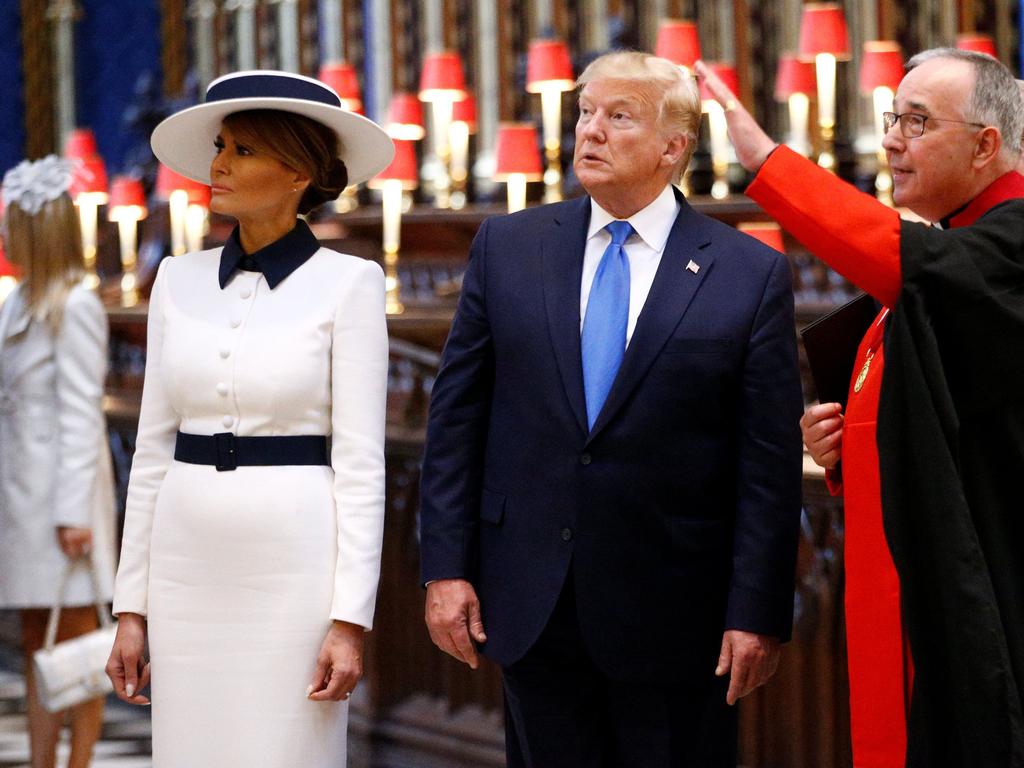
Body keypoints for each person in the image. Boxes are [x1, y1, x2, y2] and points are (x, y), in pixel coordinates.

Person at [420, 51, 803, 767]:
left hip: (677, 615)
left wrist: (757, 612)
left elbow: (768, 465)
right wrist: (445, 568)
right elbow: (455, 422)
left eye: (617, 116)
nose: (589, 131)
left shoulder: (747, 273)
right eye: (585, 113)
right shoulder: (510, 247)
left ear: (673, 147)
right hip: (529, 598)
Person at [699, 47, 1024, 768]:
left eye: (917, 121)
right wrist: (849, 441)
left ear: (985, 145)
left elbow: (904, 263)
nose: (891, 140)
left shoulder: (1007, 241)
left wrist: (764, 158)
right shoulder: (954, 250)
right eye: (891, 117)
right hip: (905, 582)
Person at [104, 70, 394, 767]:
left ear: (296, 172)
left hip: (293, 567)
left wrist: (350, 620)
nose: (219, 166)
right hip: (183, 562)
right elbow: (150, 455)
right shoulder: (176, 278)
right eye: (220, 147)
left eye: (242, 151)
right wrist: (130, 609)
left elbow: (360, 466)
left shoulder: (350, 284)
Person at [0, 155, 117, 768]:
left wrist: (76, 514)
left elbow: (80, 415)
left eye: (10, 223)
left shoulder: (76, 306)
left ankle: (79, 762)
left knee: (78, 642)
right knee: (33, 640)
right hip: (20, 497)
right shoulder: (17, 302)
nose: (2, 234)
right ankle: (43, 761)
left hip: (58, 502)